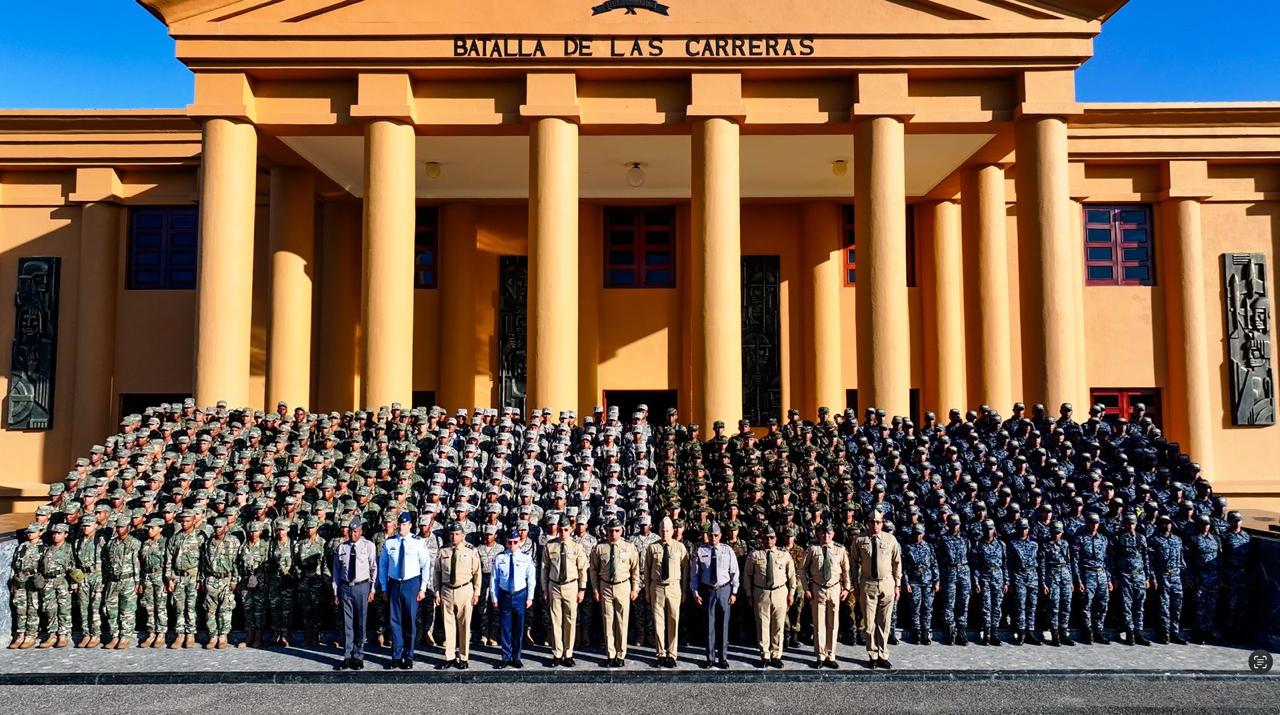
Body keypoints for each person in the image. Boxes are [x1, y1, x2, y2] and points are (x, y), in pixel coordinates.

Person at [378, 511, 431, 669]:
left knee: (410, 621)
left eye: (405, 524)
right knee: (395, 622)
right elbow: (383, 566)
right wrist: (384, 587)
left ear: (410, 525)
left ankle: (409, 655)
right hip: (394, 584)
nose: (402, 527)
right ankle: (396, 655)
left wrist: (423, 588)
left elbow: (425, 565)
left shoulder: (418, 542)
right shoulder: (390, 543)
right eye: (400, 524)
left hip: (411, 584)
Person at [852, 511, 901, 668]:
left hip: (886, 583)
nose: (875, 525)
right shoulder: (860, 539)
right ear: (868, 522)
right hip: (868, 584)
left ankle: (882, 654)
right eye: (872, 522)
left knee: (884, 622)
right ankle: (872, 655)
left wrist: (898, 584)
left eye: (878, 522)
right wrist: (855, 584)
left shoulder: (890, 539)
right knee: (869, 623)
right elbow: (853, 563)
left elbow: (897, 562)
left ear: (882, 522)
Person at [589, 518, 639, 667]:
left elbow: (635, 569)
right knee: (608, 621)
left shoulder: (629, 547)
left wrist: (635, 588)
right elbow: (593, 569)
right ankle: (610, 654)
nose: (613, 534)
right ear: (606, 531)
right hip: (605, 586)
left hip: (623, 586)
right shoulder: (600, 548)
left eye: (617, 531)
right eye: (611, 531)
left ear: (622, 531)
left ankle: (621, 654)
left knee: (622, 622)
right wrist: (596, 589)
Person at [743, 526, 795, 668]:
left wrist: (791, 593)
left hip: (780, 592)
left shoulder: (784, 555)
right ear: (762, 539)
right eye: (766, 537)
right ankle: (764, 655)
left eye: (771, 537)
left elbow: (791, 576)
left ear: (776, 539)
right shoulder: (755, 555)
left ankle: (776, 655)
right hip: (761, 593)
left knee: (778, 626)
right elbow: (747, 575)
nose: (769, 540)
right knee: (763, 625)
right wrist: (748, 593)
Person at [539, 514, 587, 667]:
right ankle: (557, 653)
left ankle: (568, 653)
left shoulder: (577, 547)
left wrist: (582, 589)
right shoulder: (550, 545)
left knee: (570, 620)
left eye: (566, 530)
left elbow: (582, 570)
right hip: (554, 586)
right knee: (556, 621)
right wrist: (545, 588)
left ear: (571, 529)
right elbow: (544, 569)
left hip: (571, 586)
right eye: (560, 530)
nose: (563, 533)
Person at [691, 521, 739, 669]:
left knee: (723, 624)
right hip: (708, 591)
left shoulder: (727, 550)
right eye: (710, 535)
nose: (713, 538)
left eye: (716, 535)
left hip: (724, 590)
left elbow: (734, 572)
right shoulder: (700, 551)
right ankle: (710, 658)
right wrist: (695, 592)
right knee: (709, 625)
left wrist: (734, 592)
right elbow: (694, 575)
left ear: (720, 536)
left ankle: (723, 658)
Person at [435, 521, 481, 669]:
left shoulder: (471, 550)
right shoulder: (443, 551)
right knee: (448, 625)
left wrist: (476, 592)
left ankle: (463, 657)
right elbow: (436, 573)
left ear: (463, 535)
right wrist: (437, 591)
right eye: (452, 534)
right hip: (447, 591)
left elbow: (477, 573)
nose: (454, 537)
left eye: (457, 534)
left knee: (464, 625)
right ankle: (449, 657)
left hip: (465, 590)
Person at [802, 522, 849, 668]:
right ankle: (820, 656)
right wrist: (806, 588)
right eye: (823, 533)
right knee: (819, 624)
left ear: (833, 534)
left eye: (829, 533)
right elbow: (802, 570)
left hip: (835, 589)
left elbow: (846, 570)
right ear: (818, 534)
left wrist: (847, 588)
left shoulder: (840, 549)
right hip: (818, 589)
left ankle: (831, 655)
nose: (826, 536)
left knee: (833, 624)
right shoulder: (812, 549)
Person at [332, 517, 377, 670]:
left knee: (361, 622)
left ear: (361, 531)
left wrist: (372, 589)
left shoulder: (368, 546)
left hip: (361, 586)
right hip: (345, 587)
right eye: (351, 531)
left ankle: (358, 655)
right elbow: (336, 572)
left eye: (356, 532)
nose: (353, 535)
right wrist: (336, 591)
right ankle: (347, 656)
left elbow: (373, 568)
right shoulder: (341, 548)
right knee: (347, 623)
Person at [644, 515, 689, 668]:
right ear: (659, 531)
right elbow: (647, 569)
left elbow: (686, 571)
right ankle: (660, 654)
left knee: (673, 620)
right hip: (656, 587)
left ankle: (672, 654)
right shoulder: (652, 547)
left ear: (672, 531)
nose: (665, 533)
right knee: (658, 622)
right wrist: (647, 592)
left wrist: (684, 591)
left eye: (668, 530)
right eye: (662, 530)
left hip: (674, 587)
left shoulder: (680, 547)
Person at [491, 527, 536, 668]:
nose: (512, 545)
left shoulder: (525, 558)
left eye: (515, 542)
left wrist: (530, 597)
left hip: (520, 595)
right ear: (506, 542)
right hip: (505, 595)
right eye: (509, 542)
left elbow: (531, 579)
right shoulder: (499, 558)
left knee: (518, 628)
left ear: (519, 543)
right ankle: (505, 657)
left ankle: (516, 657)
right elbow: (494, 579)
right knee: (505, 628)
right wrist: (494, 597)